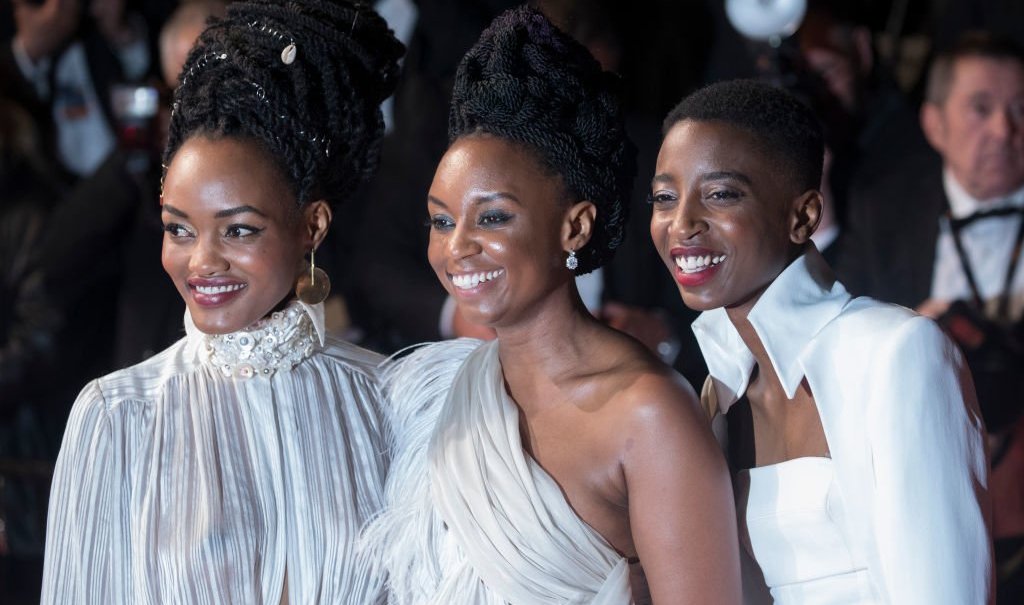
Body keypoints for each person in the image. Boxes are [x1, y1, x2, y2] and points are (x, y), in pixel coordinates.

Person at [363, 6, 741, 604]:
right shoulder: (436, 398)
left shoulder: (648, 414)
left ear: (575, 226)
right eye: (441, 219)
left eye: (492, 217)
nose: (458, 246)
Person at [40, 1, 403, 603]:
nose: (202, 261)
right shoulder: (117, 417)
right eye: (179, 228)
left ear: (312, 226)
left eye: (238, 229)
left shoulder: (389, 399)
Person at [649, 78, 993, 604]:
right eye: (665, 198)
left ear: (803, 215)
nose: (682, 223)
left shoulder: (897, 353)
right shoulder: (719, 391)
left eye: (720, 194)